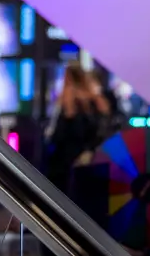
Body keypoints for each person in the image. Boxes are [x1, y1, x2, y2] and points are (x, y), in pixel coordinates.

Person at [45, 62, 114, 192]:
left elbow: (63, 131)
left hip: (67, 158)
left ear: (68, 78)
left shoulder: (69, 98)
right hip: (90, 156)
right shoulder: (95, 99)